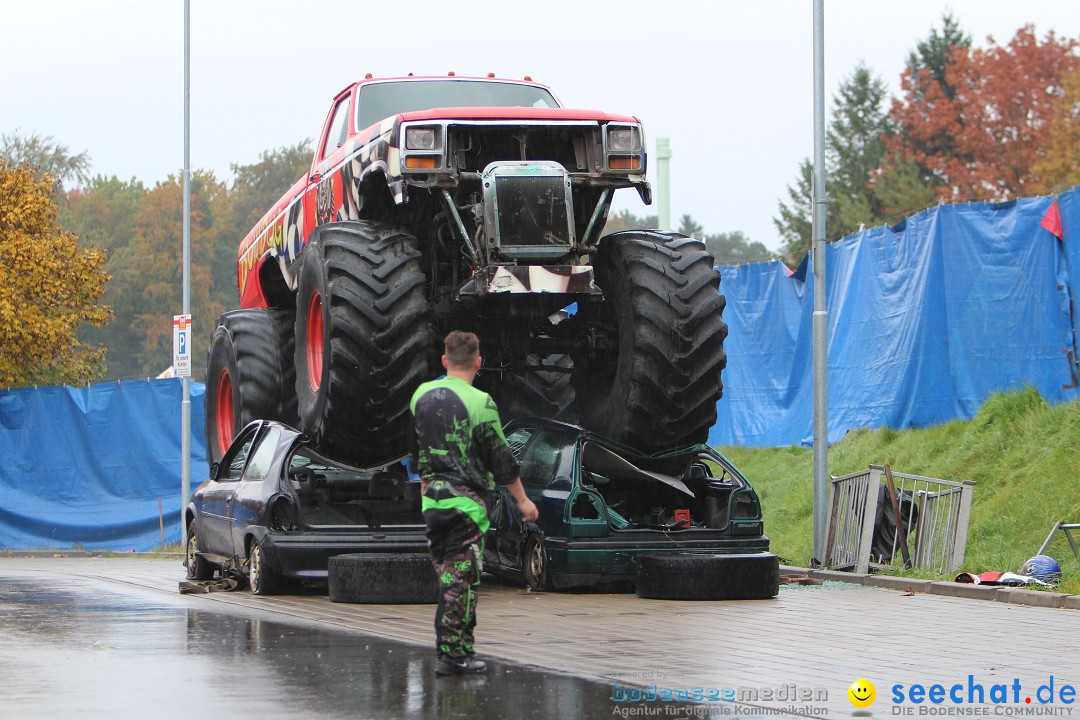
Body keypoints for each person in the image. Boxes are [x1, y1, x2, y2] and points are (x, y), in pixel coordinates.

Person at [410, 330, 539, 677]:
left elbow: (417, 450)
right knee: (461, 581)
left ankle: (460, 651)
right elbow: (501, 461)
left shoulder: (421, 396)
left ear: (444, 360)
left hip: (433, 504)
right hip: (466, 507)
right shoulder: (481, 404)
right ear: (479, 362)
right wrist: (523, 500)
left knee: (450, 578)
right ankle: (452, 657)